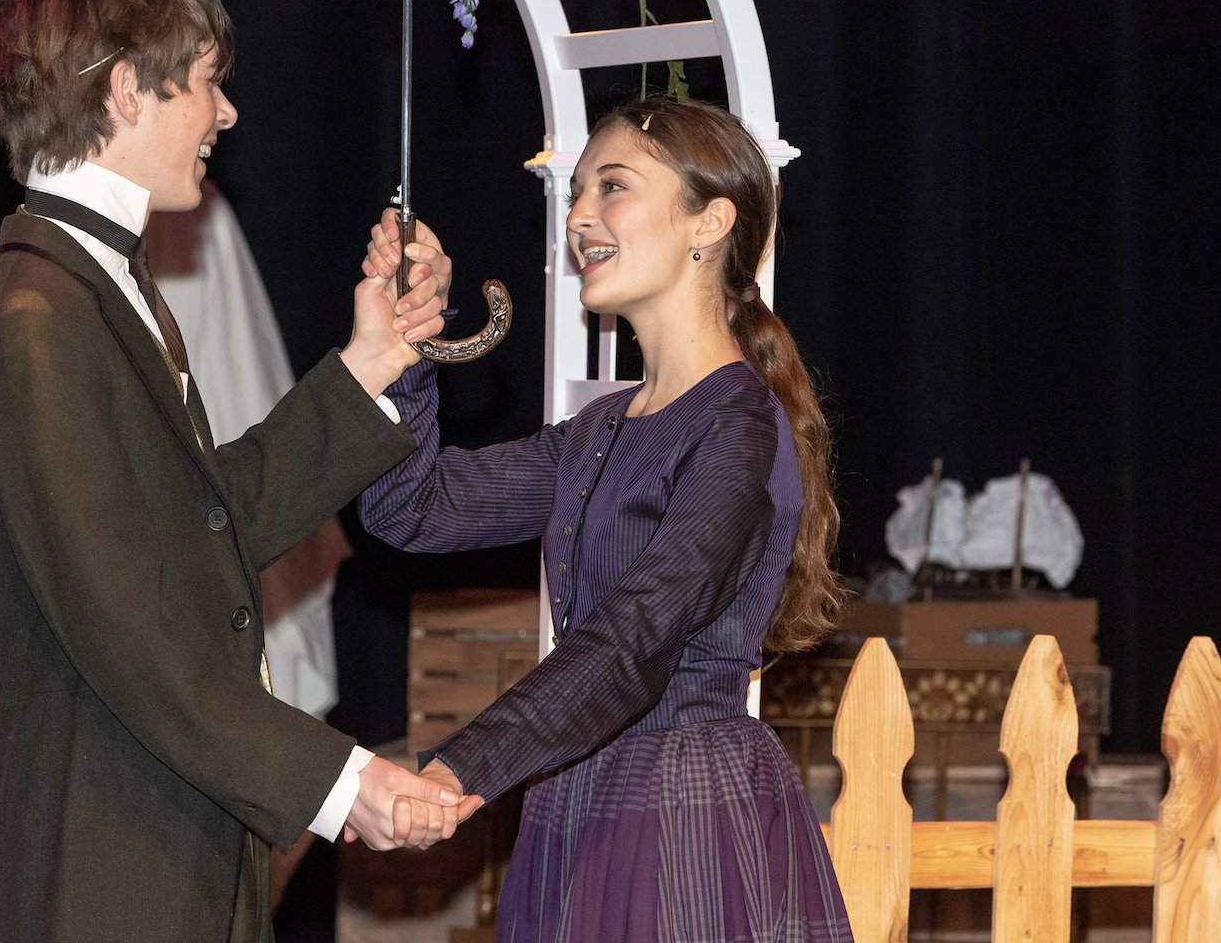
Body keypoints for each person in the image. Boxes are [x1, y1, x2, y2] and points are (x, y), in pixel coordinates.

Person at [0, 0, 474, 943]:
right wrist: (342, 781)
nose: (226, 114)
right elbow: (129, 624)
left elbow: (199, 525)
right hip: (107, 872)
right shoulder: (37, 320)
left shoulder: (97, 289)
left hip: (164, 843)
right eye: (205, 81)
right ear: (126, 89)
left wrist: (370, 360)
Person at [360, 96, 853, 943]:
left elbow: (636, 637)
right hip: (573, 803)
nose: (579, 216)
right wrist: (408, 351)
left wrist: (458, 771)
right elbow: (410, 508)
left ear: (710, 222)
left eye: (612, 186)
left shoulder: (737, 429)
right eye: (577, 190)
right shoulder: (599, 430)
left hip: (685, 816)